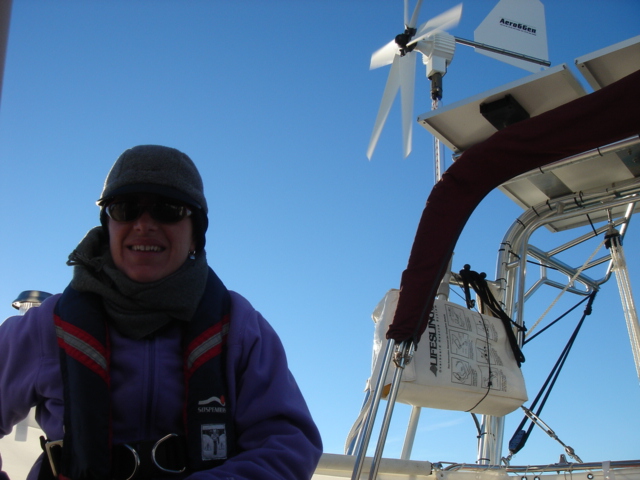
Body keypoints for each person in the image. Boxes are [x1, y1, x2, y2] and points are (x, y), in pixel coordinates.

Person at [0, 145, 323, 480]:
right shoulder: (46, 327)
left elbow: (288, 444)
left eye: (167, 209)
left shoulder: (240, 328)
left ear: (196, 234)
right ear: (108, 226)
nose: (143, 225)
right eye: (125, 208)